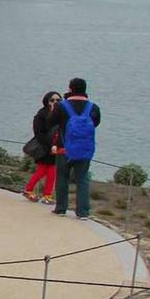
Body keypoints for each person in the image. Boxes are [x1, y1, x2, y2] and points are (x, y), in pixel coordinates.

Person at [50, 77, 100, 220]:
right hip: (85, 149)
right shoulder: (93, 107)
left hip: (64, 147)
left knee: (62, 177)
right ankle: (83, 212)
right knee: (82, 179)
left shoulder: (62, 106)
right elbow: (95, 123)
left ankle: (61, 208)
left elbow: (51, 122)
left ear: (70, 89)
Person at [24, 91, 63, 203]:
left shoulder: (60, 114)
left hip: (55, 148)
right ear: (47, 101)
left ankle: (47, 195)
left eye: (58, 100)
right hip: (44, 147)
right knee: (42, 171)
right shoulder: (41, 115)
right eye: (52, 100)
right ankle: (29, 190)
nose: (55, 102)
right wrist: (50, 145)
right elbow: (39, 133)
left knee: (52, 172)